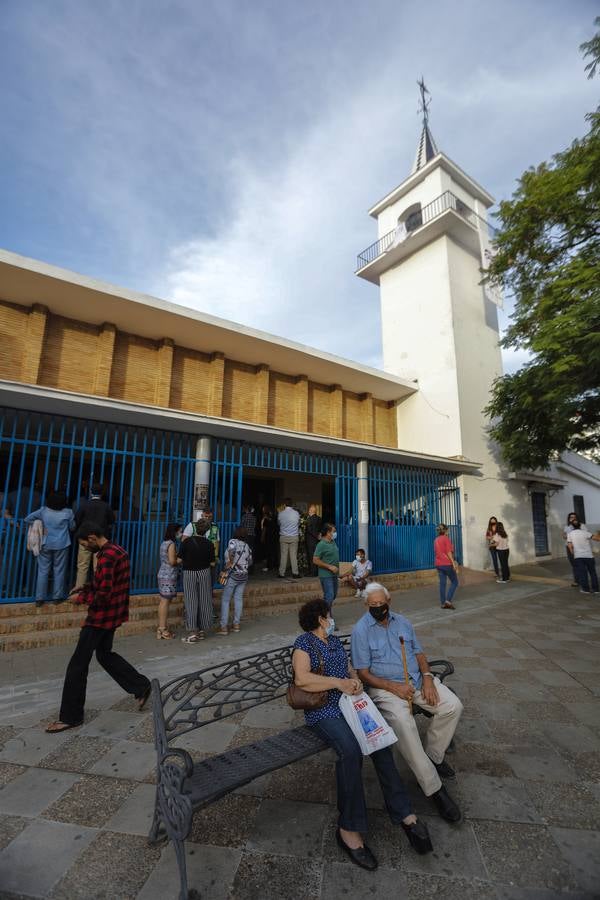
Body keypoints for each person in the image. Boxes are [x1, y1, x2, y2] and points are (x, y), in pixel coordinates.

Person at [292, 597, 433, 871]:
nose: (332, 620)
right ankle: (348, 829)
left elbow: (349, 670)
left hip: (350, 705)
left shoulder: (334, 642)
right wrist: (339, 683)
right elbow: (302, 678)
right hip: (324, 711)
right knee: (351, 751)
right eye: (329, 615)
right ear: (321, 619)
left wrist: (354, 682)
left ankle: (404, 812)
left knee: (380, 741)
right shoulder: (304, 643)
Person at [351, 582, 462, 823]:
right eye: (372, 605)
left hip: (416, 681)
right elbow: (363, 673)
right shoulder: (361, 630)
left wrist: (428, 678)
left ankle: (433, 756)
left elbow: (419, 654)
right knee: (404, 724)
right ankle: (435, 789)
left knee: (453, 705)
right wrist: (394, 687)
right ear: (366, 605)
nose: (378, 608)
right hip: (386, 689)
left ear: (389, 601)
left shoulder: (402, 622)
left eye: (381, 603)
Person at [45, 522, 151, 733]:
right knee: (104, 654)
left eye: (85, 544)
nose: (85, 547)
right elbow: (103, 582)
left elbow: (103, 594)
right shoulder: (117, 550)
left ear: (92, 537)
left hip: (100, 618)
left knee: (77, 665)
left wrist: (80, 598)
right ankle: (140, 686)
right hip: (113, 614)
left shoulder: (107, 556)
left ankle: (71, 716)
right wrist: (83, 587)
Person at [25, 491, 75, 607]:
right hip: (62, 544)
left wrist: (40, 526)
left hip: (45, 543)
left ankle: (39, 599)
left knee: (43, 571)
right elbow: (72, 527)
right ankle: (57, 597)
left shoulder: (43, 511)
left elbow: (27, 519)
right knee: (59, 570)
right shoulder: (68, 512)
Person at [178, 518, 215, 642]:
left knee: (191, 601)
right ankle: (202, 630)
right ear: (207, 531)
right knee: (204, 600)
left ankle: (193, 631)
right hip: (204, 572)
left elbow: (179, 559)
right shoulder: (209, 544)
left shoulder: (187, 542)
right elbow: (212, 562)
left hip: (189, 572)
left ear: (196, 528)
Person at [73, 483, 115, 590]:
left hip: (85, 538)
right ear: (102, 494)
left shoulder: (84, 505)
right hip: (99, 540)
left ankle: (79, 591)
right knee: (98, 567)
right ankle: (97, 590)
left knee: (82, 566)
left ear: (91, 492)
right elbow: (112, 521)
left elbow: (76, 520)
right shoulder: (106, 506)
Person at [218, 526, 252, 634]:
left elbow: (231, 554)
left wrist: (229, 564)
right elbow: (250, 561)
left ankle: (223, 626)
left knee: (226, 600)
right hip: (243, 576)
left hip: (233, 575)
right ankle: (236, 624)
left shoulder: (233, 542)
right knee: (238, 599)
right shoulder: (247, 545)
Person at [156, 523, 181, 639]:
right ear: (174, 532)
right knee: (165, 602)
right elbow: (172, 561)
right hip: (168, 576)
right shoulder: (171, 544)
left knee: (163, 601)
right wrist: (181, 559)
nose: (181, 534)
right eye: (179, 531)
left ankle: (161, 628)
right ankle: (162, 629)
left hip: (163, 573)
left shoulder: (164, 543)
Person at [567, 519, 600, 594]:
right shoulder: (586, 533)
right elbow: (597, 539)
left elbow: (570, 545)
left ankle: (585, 589)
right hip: (589, 556)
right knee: (592, 572)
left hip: (578, 557)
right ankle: (596, 589)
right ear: (580, 525)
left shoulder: (570, 534)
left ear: (572, 526)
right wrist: (598, 533)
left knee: (583, 573)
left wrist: (573, 553)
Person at [313, 523, 340, 609]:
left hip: (335, 574)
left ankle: (322, 610)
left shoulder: (333, 542)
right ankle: (325, 614)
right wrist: (329, 567)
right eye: (334, 531)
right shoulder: (321, 545)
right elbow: (315, 560)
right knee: (329, 596)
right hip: (325, 575)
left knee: (333, 595)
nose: (335, 533)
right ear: (328, 532)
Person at [434, 524, 459, 609]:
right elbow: (449, 552)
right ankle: (448, 601)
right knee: (455, 582)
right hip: (447, 564)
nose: (448, 532)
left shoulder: (436, 540)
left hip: (438, 564)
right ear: (445, 531)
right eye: (447, 530)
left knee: (442, 584)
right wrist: (453, 563)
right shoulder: (446, 539)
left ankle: (443, 603)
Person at [277, 498, 301, 578]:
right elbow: (298, 524)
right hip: (294, 536)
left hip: (283, 536)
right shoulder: (296, 513)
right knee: (293, 556)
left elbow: (279, 524)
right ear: (292, 504)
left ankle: (281, 573)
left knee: (283, 556)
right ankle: (295, 573)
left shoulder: (281, 513)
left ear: (285, 504)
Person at [305, 504, 322, 577]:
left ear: (311, 511)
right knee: (316, 556)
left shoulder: (309, 519)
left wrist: (316, 536)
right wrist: (319, 536)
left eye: (309, 510)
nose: (308, 511)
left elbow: (309, 530)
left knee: (311, 556)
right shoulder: (319, 518)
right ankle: (316, 571)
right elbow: (321, 529)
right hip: (317, 541)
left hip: (310, 541)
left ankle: (312, 572)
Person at [563, 512, 580, 587]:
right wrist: (565, 535)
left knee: (578, 563)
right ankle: (577, 580)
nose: (572, 518)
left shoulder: (580, 526)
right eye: (571, 517)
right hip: (568, 546)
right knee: (573, 564)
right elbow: (564, 536)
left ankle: (579, 580)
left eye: (574, 517)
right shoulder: (567, 527)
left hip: (577, 546)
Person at [260, 505, 278, 572]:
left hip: (268, 537)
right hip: (274, 536)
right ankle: (275, 565)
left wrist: (262, 537)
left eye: (263, 509)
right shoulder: (274, 518)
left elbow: (264, 529)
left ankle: (269, 566)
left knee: (269, 552)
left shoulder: (266, 519)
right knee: (274, 551)